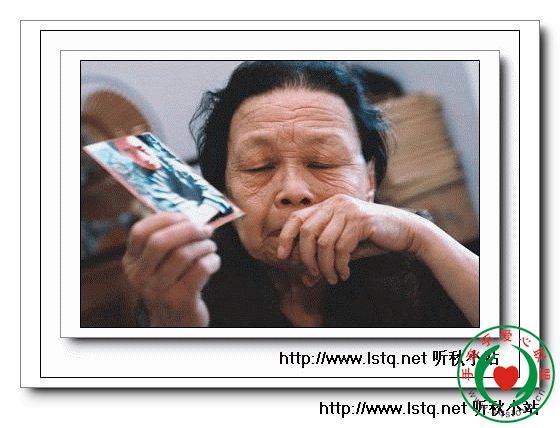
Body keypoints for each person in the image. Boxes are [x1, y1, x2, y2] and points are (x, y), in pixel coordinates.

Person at [122, 61, 479, 328]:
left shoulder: (416, 255)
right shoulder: (189, 285)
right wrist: (176, 320)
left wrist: (423, 238)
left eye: (323, 162)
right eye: (259, 166)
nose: (294, 191)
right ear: (223, 189)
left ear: (369, 179)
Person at [106, 134, 233, 223]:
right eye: (129, 152)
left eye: (141, 149)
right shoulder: (141, 181)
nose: (141, 157)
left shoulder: (172, 165)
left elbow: (216, 201)